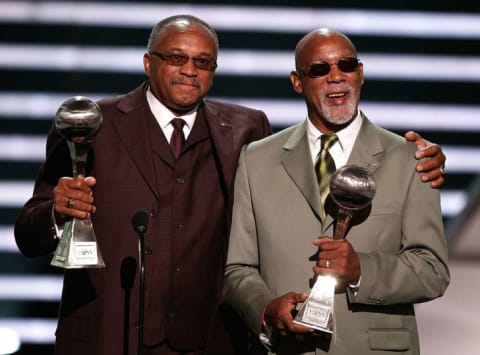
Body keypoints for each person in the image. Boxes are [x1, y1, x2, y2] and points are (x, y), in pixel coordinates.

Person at [13, 15, 445, 355]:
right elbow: (29, 232)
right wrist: (55, 214)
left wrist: (422, 159)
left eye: (202, 62)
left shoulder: (244, 131)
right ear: (149, 62)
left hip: (209, 342)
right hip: (109, 335)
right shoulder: (93, 126)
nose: (189, 71)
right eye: (176, 58)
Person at [222, 28, 450, 355]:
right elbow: (237, 269)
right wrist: (266, 308)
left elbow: (433, 271)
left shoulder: (410, 159)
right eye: (319, 69)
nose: (335, 77)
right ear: (297, 81)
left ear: (360, 73)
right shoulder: (257, 159)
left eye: (346, 65)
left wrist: (362, 271)